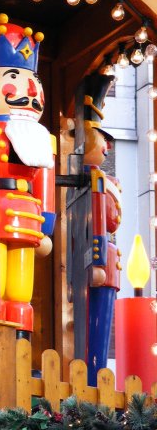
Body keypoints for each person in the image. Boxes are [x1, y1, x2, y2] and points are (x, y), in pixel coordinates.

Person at [0, 13, 55, 339]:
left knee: (21, 289)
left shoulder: (41, 136)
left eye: (32, 82)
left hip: (27, 215)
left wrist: (47, 224)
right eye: (13, 79)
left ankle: (20, 344)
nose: (28, 91)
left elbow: (45, 184)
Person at [80, 75, 121, 382]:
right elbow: (95, 216)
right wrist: (95, 259)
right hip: (99, 256)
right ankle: (93, 378)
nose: (105, 147)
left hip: (110, 255)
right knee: (90, 327)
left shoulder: (107, 180)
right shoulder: (91, 180)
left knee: (103, 326)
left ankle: (98, 377)